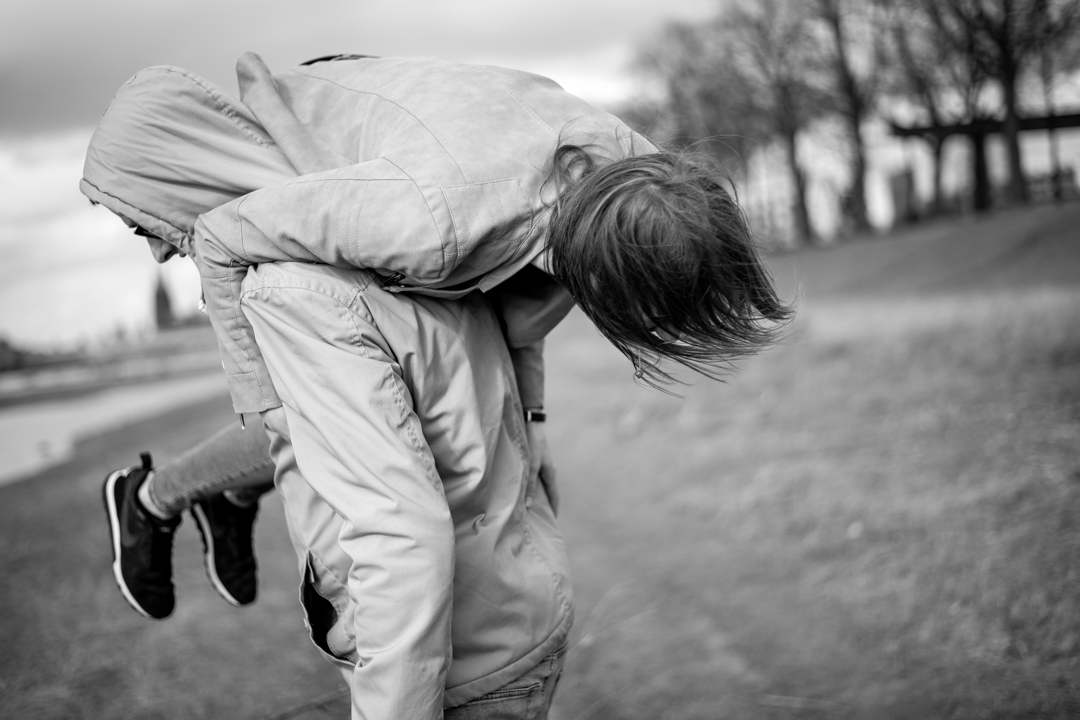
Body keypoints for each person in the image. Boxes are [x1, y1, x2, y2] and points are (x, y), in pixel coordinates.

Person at [83, 53, 792, 719]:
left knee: (346, 397)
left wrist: (534, 421)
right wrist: (263, 407)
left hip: (430, 184)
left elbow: (524, 313)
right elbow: (224, 234)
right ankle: (161, 496)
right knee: (319, 401)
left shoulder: (613, 179)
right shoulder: (440, 219)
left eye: (141, 222)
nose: (150, 246)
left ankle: (195, 493)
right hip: (404, 181)